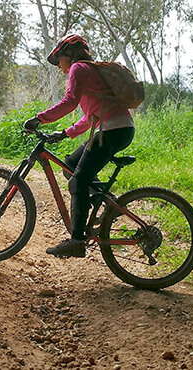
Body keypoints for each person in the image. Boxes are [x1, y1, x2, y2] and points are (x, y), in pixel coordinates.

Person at [23, 34, 135, 258]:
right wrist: (64, 133)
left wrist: (39, 118)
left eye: (59, 60)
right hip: (116, 129)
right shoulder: (90, 71)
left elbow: (69, 102)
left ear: (69, 55)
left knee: (79, 180)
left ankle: (76, 240)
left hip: (112, 130)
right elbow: (88, 118)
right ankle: (108, 202)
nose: (60, 67)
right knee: (70, 164)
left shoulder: (79, 69)